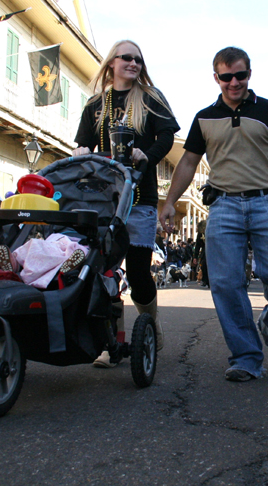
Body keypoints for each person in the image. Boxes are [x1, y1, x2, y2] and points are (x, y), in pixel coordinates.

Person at [159, 46, 268, 382]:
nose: (234, 82)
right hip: (223, 205)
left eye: (240, 75)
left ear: (249, 74)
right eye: (226, 76)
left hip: (266, 203)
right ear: (216, 77)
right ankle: (246, 356)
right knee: (226, 283)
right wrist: (170, 201)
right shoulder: (204, 117)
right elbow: (188, 161)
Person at [72, 39, 180, 365]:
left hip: (139, 195)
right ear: (112, 63)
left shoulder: (150, 99)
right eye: (127, 58)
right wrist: (80, 154)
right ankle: (111, 342)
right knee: (104, 270)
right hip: (103, 196)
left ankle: (151, 325)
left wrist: (146, 155)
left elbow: (167, 136)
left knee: (136, 271)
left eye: (138, 60)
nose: (133, 64)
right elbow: (83, 144)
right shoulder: (95, 104)